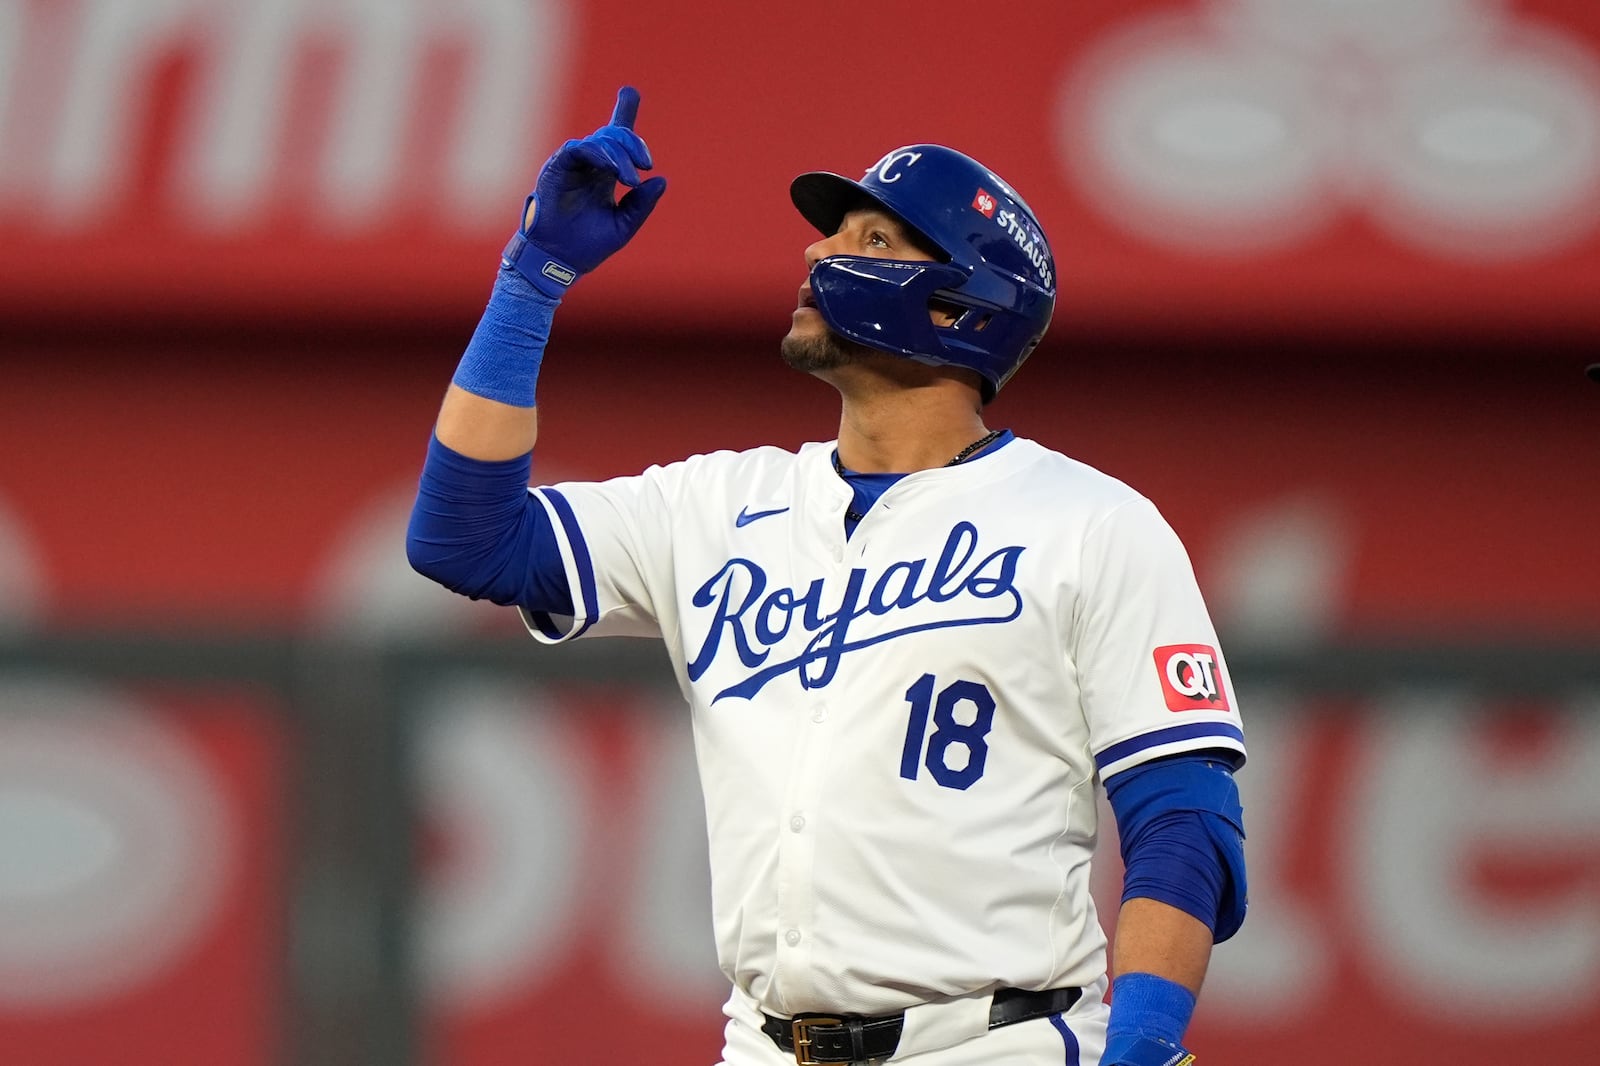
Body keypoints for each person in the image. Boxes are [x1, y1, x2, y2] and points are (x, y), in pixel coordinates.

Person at [408, 86, 1248, 1066]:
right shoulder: (718, 506)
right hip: (765, 1046)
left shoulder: (1092, 525)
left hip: (991, 1042)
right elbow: (465, 541)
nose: (817, 252)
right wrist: (532, 277)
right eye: (832, 234)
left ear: (961, 303)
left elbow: (1185, 818)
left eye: (874, 240)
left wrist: (1143, 1044)